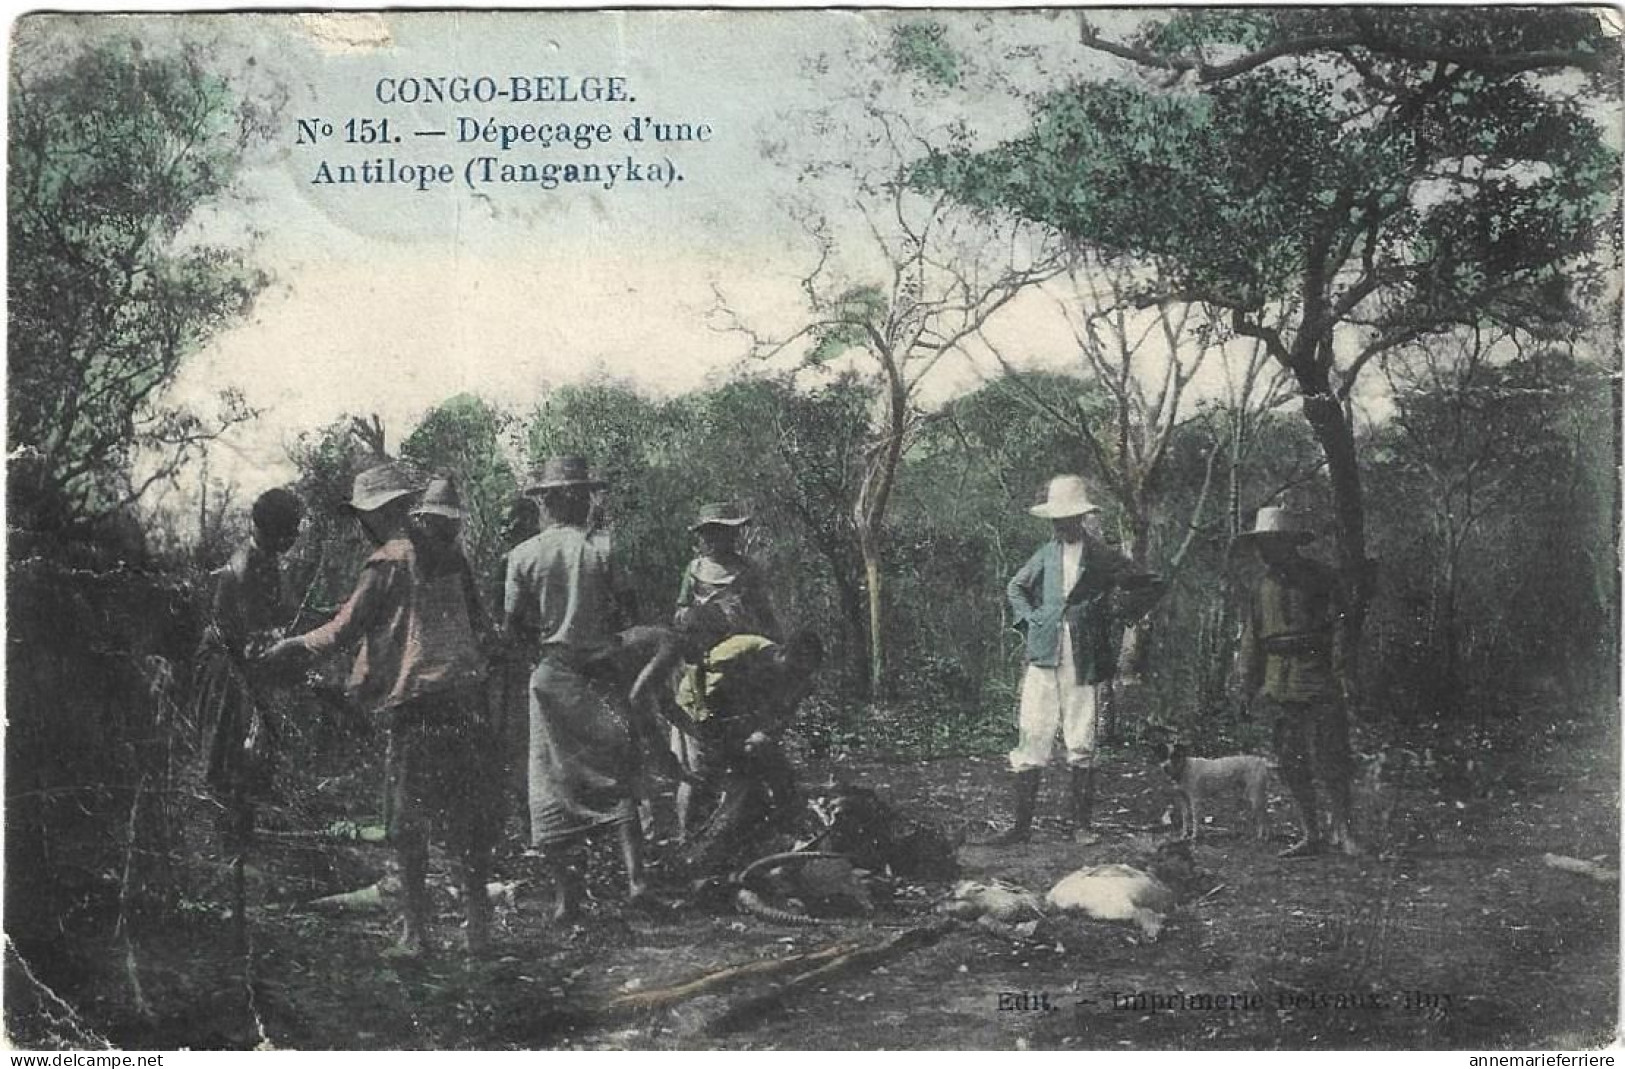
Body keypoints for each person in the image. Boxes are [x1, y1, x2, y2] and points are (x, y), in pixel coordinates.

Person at [264, 461, 497, 956]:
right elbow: (482, 627)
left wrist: (292, 648)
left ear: (373, 515)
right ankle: (479, 933)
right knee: (466, 823)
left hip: (420, 705)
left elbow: (343, 630)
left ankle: (416, 936)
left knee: (407, 826)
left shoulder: (385, 563)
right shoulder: (453, 556)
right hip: (466, 699)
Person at [503, 456, 647, 921]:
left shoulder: (523, 556)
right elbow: (628, 612)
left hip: (551, 673)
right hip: (599, 673)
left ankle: (568, 898)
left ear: (546, 501)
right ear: (579, 498)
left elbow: (514, 627)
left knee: (549, 784)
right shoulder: (603, 548)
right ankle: (635, 880)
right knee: (613, 775)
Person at [991, 475, 1161, 846]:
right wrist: (1029, 620)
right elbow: (1016, 587)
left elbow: (1145, 584)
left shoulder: (1101, 555)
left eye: (1067, 518)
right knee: (1033, 730)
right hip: (1043, 649)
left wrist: (1117, 613)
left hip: (1083, 653)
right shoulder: (1046, 554)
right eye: (1055, 518)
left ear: (1081, 518)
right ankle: (1021, 827)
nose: (1060, 524)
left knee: (1081, 736)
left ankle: (1080, 825)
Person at [190, 487, 304, 942]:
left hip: (251, 668)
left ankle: (237, 884)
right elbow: (232, 636)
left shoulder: (271, 566)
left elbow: (280, 616)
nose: (291, 540)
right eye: (287, 532)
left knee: (250, 774)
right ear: (268, 530)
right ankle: (227, 885)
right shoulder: (239, 570)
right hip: (226, 674)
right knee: (227, 769)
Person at [1235, 505, 1363, 858]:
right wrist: (1246, 684)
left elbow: (1340, 626)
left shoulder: (1322, 578)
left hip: (1317, 675)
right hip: (1278, 681)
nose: (1263, 551)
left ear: (1288, 543)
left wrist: (1342, 671)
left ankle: (1345, 830)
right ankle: (1311, 832)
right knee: (1290, 760)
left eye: (1270, 543)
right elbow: (1251, 637)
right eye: (1259, 544)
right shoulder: (1260, 587)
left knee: (1331, 756)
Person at [670, 501, 780, 840]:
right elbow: (681, 611)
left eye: (726, 532)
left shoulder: (747, 572)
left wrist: (771, 645)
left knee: (737, 743)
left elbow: (764, 614)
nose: (719, 540)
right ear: (703, 537)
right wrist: (695, 623)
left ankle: (733, 822)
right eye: (712, 533)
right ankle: (687, 832)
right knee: (695, 750)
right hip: (699, 658)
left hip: (739, 663)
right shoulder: (694, 570)